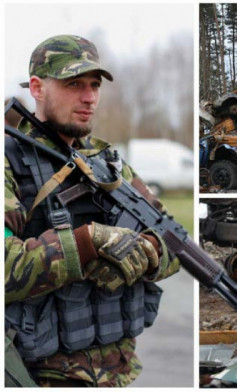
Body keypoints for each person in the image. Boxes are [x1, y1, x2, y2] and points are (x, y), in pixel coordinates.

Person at [4, 35, 180, 387]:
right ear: (37, 88)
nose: (89, 98)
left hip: (118, 372)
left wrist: (143, 251)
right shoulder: (10, 164)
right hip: (41, 376)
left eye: (95, 85)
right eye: (74, 85)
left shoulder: (109, 165)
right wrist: (89, 242)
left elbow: (174, 242)